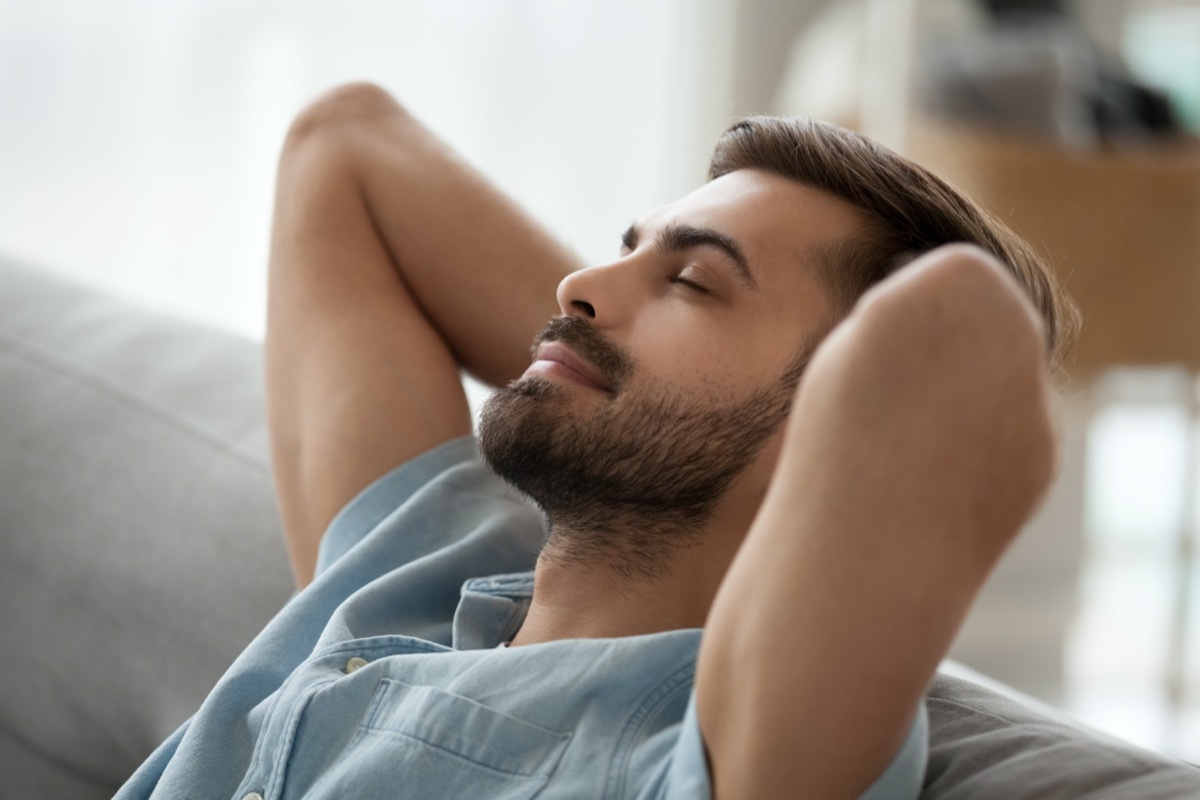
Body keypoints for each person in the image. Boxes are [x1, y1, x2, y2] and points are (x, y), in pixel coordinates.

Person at [116, 82, 1076, 799]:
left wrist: (724, 416)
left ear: (834, 420)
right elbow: (344, 141)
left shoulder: (720, 745)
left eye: (693, 282)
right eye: (626, 247)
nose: (577, 280)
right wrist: (619, 361)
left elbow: (963, 329)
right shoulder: (420, 568)